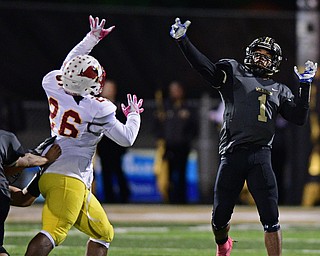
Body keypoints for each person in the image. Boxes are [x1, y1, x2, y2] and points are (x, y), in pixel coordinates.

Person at [170, 17, 317, 256]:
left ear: (275, 62)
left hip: (260, 156)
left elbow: (298, 117)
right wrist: (183, 41)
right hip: (232, 154)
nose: (260, 57)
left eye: (266, 55)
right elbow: (205, 69)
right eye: (257, 53)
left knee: (271, 219)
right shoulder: (234, 72)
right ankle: (223, 244)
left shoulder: (279, 90)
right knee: (219, 219)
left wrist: (305, 86)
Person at [25, 15, 143, 256]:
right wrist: (133, 115)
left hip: (54, 169)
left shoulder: (52, 83)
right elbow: (127, 138)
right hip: (68, 177)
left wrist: (91, 39)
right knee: (52, 233)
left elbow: (70, 64)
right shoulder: (97, 108)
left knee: (103, 233)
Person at [0, 130, 61, 256]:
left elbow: (23, 199)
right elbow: (25, 160)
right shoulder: (5, 137)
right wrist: (45, 159)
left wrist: (39, 174)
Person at [154, 81, 197, 204]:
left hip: (182, 146)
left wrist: (186, 139)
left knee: (182, 173)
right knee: (169, 173)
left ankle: (181, 199)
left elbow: (194, 127)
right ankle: (170, 198)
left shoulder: (187, 107)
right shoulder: (165, 107)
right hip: (168, 146)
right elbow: (157, 127)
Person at [96, 80, 131, 203]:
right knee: (106, 172)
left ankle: (124, 196)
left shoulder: (120, 108)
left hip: (116, 146)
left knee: (118, 170)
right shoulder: (97, 107)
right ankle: (109, 197)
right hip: (104, 146)